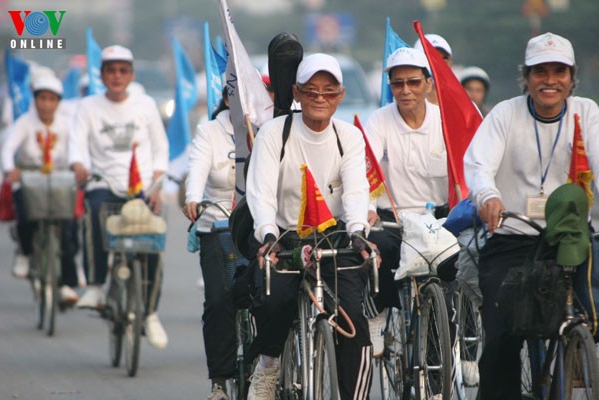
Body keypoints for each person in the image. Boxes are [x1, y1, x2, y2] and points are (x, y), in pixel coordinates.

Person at [463, 32, 599, 399]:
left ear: (572, 78)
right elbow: (479, 165)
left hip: (573, 238)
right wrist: (488, 196)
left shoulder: (587, 113)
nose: (550, 80)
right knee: (502, 334)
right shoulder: (505, 114)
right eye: (540, 72)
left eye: (559, 71)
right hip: (513, 238)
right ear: (526, 77)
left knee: (591, 316)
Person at [245, 53, 379, 400]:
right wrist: (268, 235)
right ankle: (269, 364)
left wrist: (358, 230)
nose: (320, 98)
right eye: (311, 91)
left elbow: (356, 188)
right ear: (297, 93)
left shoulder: (348, 135)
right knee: (275, 300)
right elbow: (259, 191)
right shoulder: (276, 132)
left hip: (332, 234)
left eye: (329, 91)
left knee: (354, 324)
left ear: (340, 95)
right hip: (282, 234)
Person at [68, 45, 170, 349]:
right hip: (104, 183)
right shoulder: (88, 107)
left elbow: (161, 147)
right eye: (110, 70)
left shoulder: (145, 105)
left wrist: (157, 181)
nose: (116, 76)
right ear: (101, 75)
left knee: (151, 246)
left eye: (122, 70)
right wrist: (78, 166)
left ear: (131, 75)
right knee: (96, 213)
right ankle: (97, 285)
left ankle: (150, 313)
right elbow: (76, 145)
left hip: (142, 187)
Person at [364, 47, 448, 356]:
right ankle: (378, 314)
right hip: (393, 219)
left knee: (462, 268)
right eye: (397, 83)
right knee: (375, 249)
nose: (405, 90)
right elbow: (365, 168)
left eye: (413, 82)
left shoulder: (446, 120)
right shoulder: (379, 121)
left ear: (428, 83)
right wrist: (368, 210)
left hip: (438, 219)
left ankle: (460, 349)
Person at [0, 74, 80, 306]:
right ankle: (25, 253)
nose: (46, 104)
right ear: (35, 100)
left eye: (51, 99)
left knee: (67, 230)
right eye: (42, 98)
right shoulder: (25, 122)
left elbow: (76, 151)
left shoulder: (66, 125)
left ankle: (66, 284)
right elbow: (7, 149)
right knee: (26, 217)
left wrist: (77, 167)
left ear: (58, 102)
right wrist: (9, 169)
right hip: (30, 177)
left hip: (59, 179)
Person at [183, 91, 236, 400]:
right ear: (228, 98)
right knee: (219, 300)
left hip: (261, 227)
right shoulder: (210, 131)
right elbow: (198, 168)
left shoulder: (272, 126)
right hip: (217, 223)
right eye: (238, 95)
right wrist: (192, 197)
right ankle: (220, 379)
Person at [414, 33, 453, 105]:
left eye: (444, 59)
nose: (438, 64)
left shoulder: (464, 105)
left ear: (451, 64)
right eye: (431, 58)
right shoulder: (403, 107)